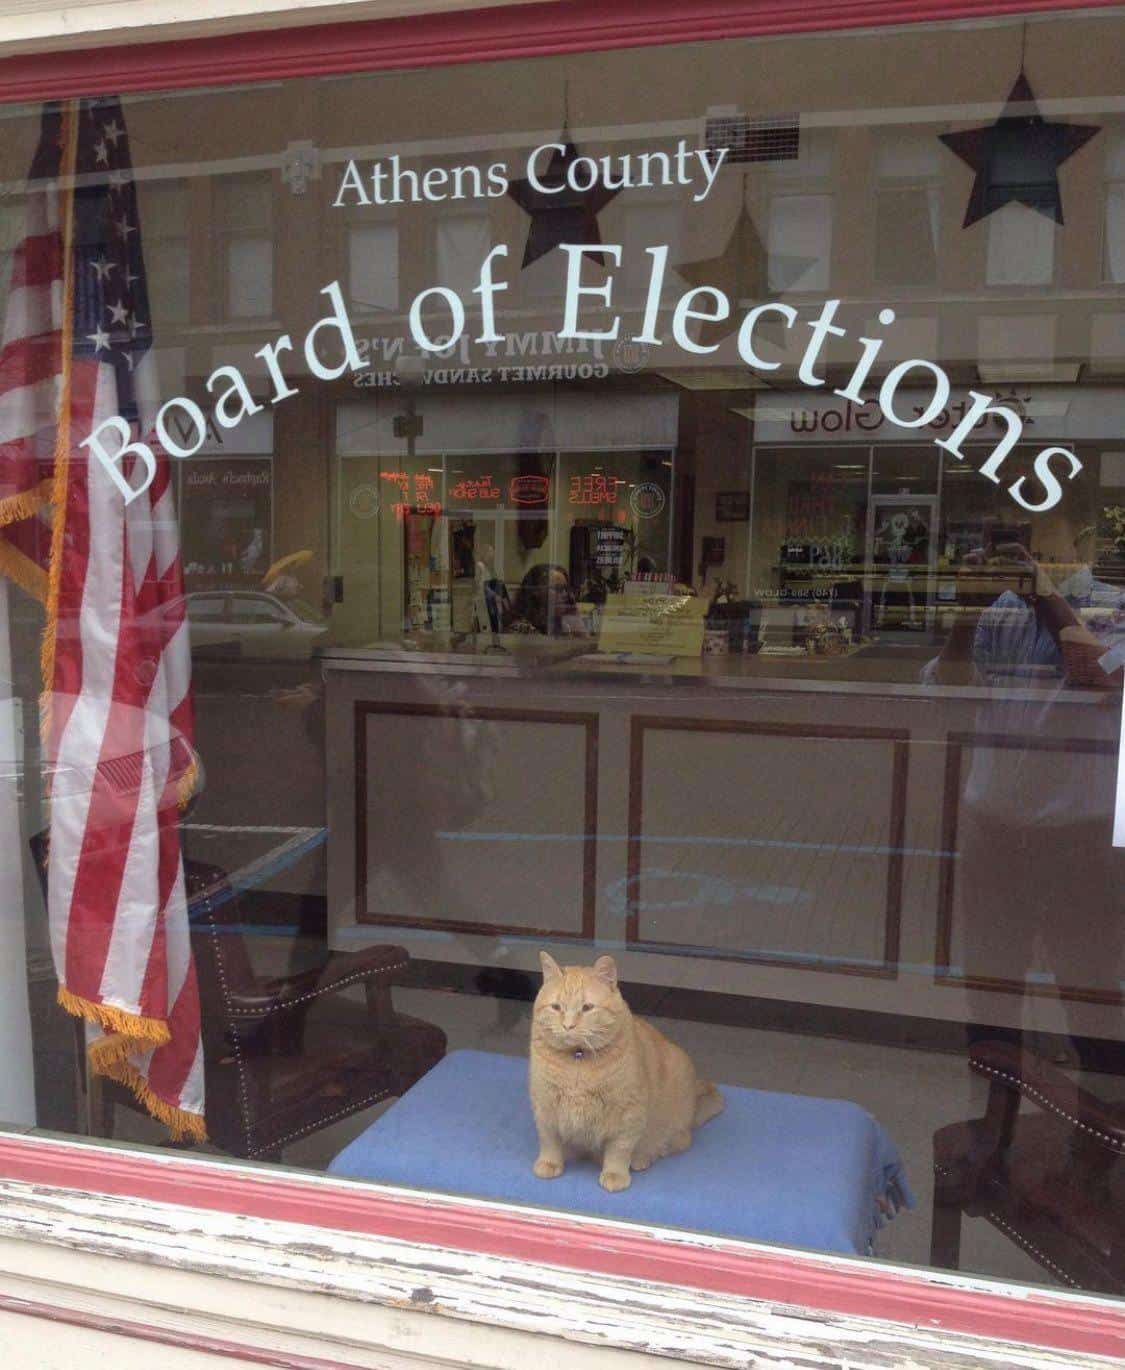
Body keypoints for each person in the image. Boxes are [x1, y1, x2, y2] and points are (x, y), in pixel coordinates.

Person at [923, 517, 1125, 1073]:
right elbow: (950, 700)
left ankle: (1104, 1137)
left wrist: (1044, 596)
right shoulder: (996, 612)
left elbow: (1108, 681)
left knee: (1090, 996)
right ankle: (992, 1126)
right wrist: (964, 616)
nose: (1020, 547)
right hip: (994, 829)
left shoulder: (1113, 604)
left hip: (1079, 834)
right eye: (1006, 537)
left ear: (1076, 537)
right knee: (990, 995)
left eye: (1037, 531)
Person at [507, 564, 586, 638]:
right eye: (558, 588)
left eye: (566, 589)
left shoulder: (560, 624)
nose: (565, 595)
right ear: (536, 592)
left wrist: (574, 612)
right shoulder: (521, 629)